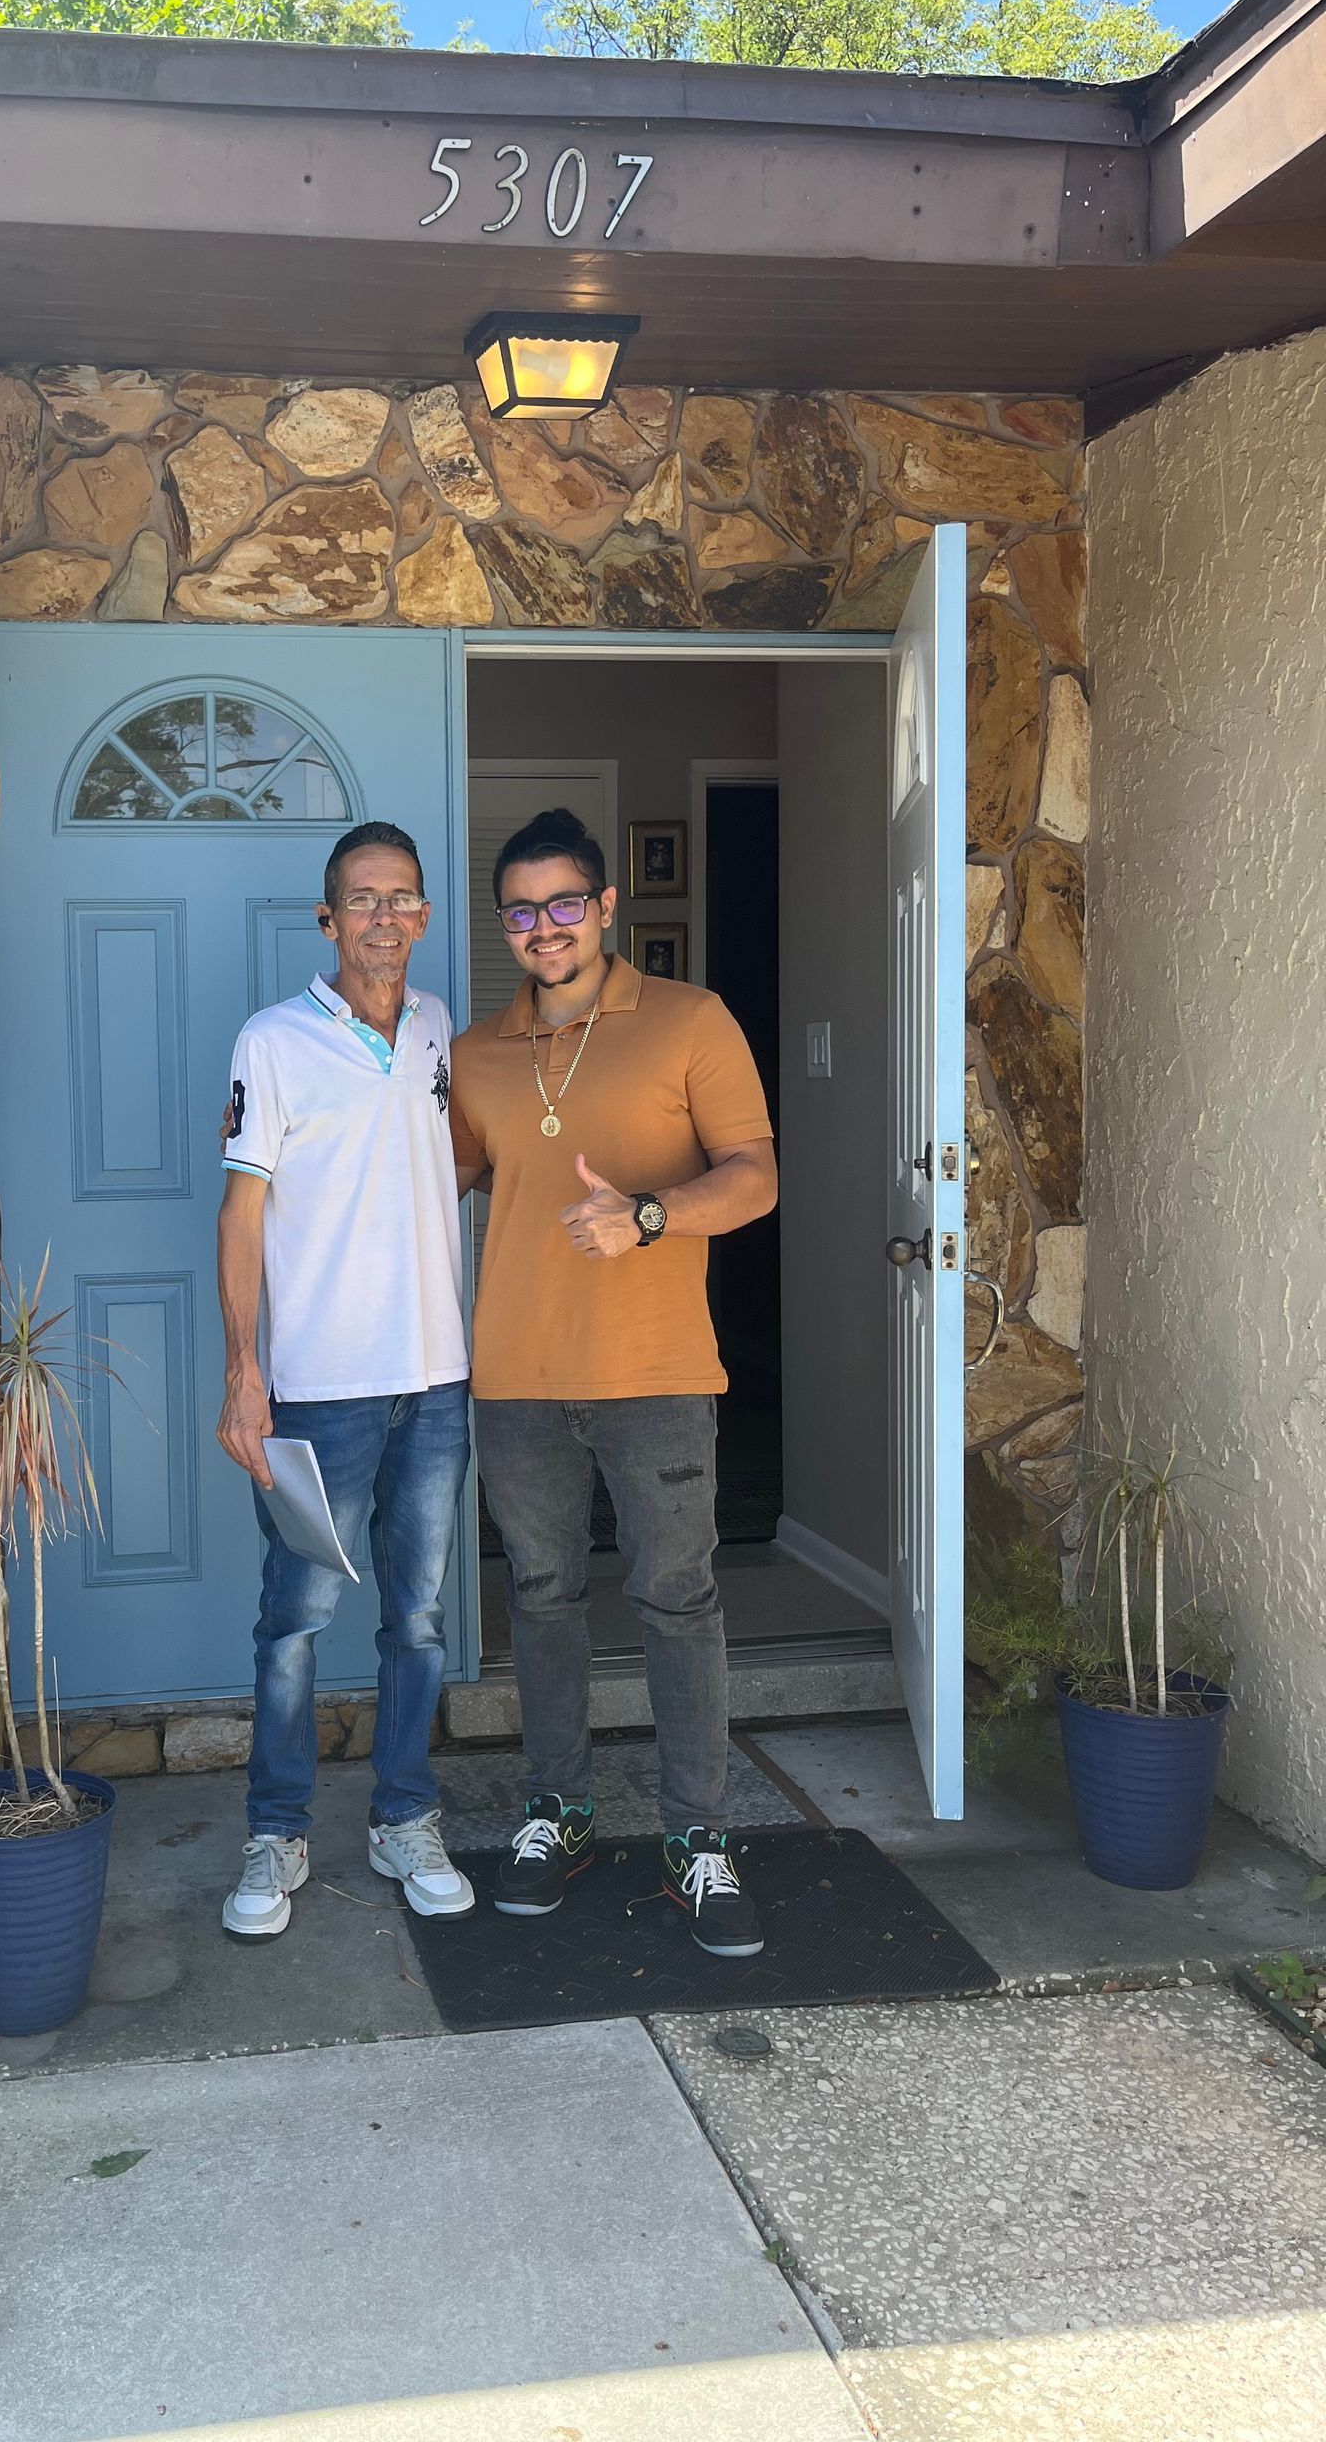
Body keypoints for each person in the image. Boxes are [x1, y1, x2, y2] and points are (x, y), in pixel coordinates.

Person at [449, 809, 779, 1955]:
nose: (546, 927)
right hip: (517, 1376)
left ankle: (699, 1836)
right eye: (523, 910)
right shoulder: (478, 1055)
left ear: (605, 908)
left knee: (675, 1598)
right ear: (508, 925)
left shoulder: (690, 1020)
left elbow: (755, 1177)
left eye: (565, 903)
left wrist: (647, 1213)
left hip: (654, 1374)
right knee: (540, 1598)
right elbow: (437, 1178)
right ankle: (561, 1809)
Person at [215, 820, 477, 1942]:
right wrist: (244, 1368)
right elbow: (241, 1214)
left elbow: (443, 1165)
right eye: (360, 900)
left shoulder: (436, 1028)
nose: (382, 916)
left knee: (415, 1620)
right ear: (328, 922)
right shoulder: (271, 1043)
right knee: (295, 1620)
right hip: (319, 1388)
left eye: (401, 898)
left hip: (436, 1382)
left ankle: (404, 1817)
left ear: (423, 917)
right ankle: (277, 1832)